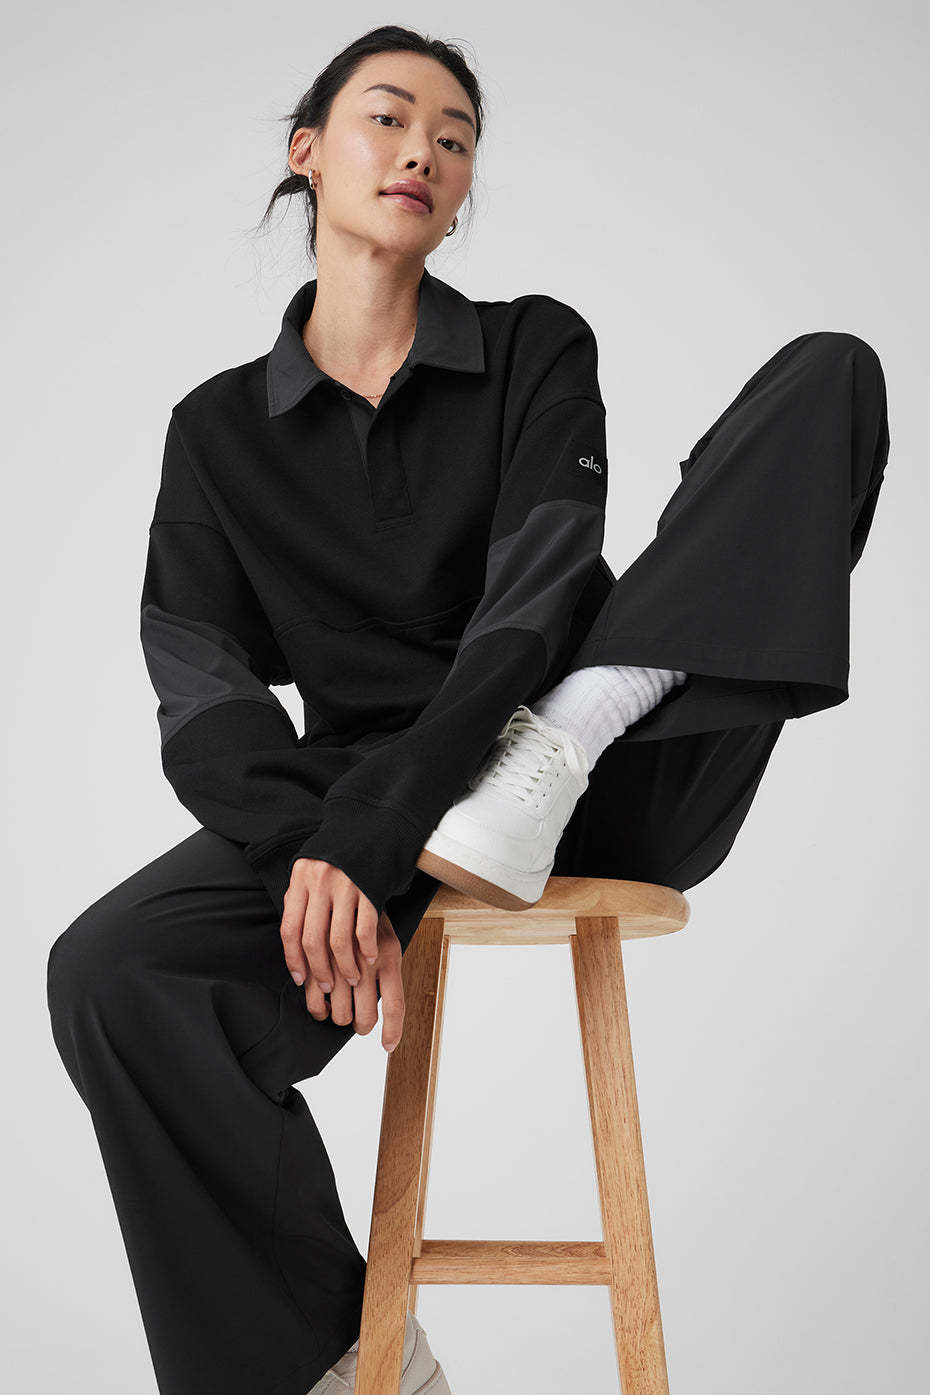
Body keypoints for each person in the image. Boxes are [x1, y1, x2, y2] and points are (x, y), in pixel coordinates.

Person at [45, 25, 891, 1395]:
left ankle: (566, 735)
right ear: (308, 152)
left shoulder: (533, 348)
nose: (423, 152)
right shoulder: (216, 431)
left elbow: (530, 608)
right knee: (111, 975)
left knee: (828, 375)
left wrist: (433, 796)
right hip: (368, 816)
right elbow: (201, 693)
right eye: (388, 119)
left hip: (597, 770)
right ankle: (338, 1371)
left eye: (455, 137)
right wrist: (323, 847)